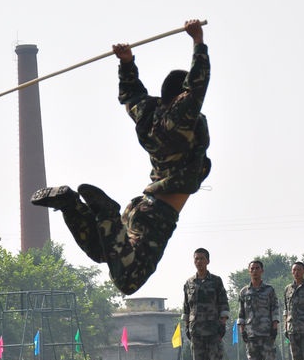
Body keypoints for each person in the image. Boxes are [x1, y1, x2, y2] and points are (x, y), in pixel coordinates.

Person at [31, 20, 210, 295]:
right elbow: (197, 86)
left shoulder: (149, 115)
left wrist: (126, 62)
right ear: (181, 98)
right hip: (157, 216)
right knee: (128, 282)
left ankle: (71, 205)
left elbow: (131, 94)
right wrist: (198, 40)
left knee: (104, 250)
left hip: (143, 207)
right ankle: (104, 212)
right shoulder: (181, 121)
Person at [182, 248, 229, 360]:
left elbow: (223, 303)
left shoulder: (216, 281)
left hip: (213, 329)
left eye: (202, 258)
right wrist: (186, 327)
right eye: (196, 259)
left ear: (208, 261)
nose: (199, 262)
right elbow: (186, 307)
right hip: (196, 329)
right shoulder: (189, 283)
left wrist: (222, 324)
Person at [237, 260, 280, 360]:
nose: (254, 271)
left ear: (262, 271)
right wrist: (242, 331)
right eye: (252, 269)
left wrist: (274, 327)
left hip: (267, 332)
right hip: (251, 333)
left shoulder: (269, 290)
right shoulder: (244, 292)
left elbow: (275, 309)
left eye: (257, 268)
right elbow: (241, 314)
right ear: (249, 271)